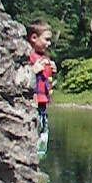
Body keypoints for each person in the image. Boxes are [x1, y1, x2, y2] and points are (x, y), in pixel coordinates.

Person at [27, 21, 55, 152]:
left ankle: (39, 157)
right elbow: (24, 76)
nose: (49, 43)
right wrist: (33, 70)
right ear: (34, 38)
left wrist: (52, 70)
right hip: (34, 102)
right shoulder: (29, 56)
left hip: (43, 102)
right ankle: (33, 154)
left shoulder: (44, 57)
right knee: (34, 129)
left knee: (43, 130)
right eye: (46, 39)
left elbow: (46, 78)